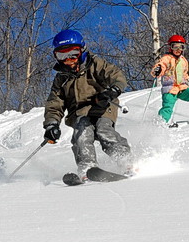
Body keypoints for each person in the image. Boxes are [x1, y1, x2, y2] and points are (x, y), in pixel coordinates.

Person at [43, 29, 132, 179]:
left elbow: (116, 75)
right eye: (62, 56)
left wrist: (113, 90)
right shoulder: (61, 79)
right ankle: (87, 167)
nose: (68, 61)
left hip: (103, 105)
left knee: (104, 131)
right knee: (82, 134)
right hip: (79, 112)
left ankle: (126, 161)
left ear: (82, 51)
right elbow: (55, 102)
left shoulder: (95, 64)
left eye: (73, 54)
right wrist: (51, 124)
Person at [150, 34, 189, 124]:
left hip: (182, 87)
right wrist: (158, 69)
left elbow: (184, 74)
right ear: (170, 48)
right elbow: (161, 65)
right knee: (168, 107)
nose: (178, 50)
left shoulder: (183, 60)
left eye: (181, 47)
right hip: (170, 89)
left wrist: (188, 82)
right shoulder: (167, 58)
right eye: (175, 47)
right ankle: (161, 122)